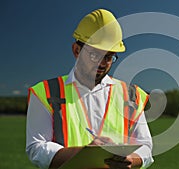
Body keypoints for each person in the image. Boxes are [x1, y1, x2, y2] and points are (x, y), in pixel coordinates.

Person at [26, 8, 154, 169]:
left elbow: (145, 146)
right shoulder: (45, 92)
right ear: (76, 50)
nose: (101, 63)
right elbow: (36, 148)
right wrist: (86, 153)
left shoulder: (131, 95)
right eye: (94, 55)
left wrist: (132, 159)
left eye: (108, 57)